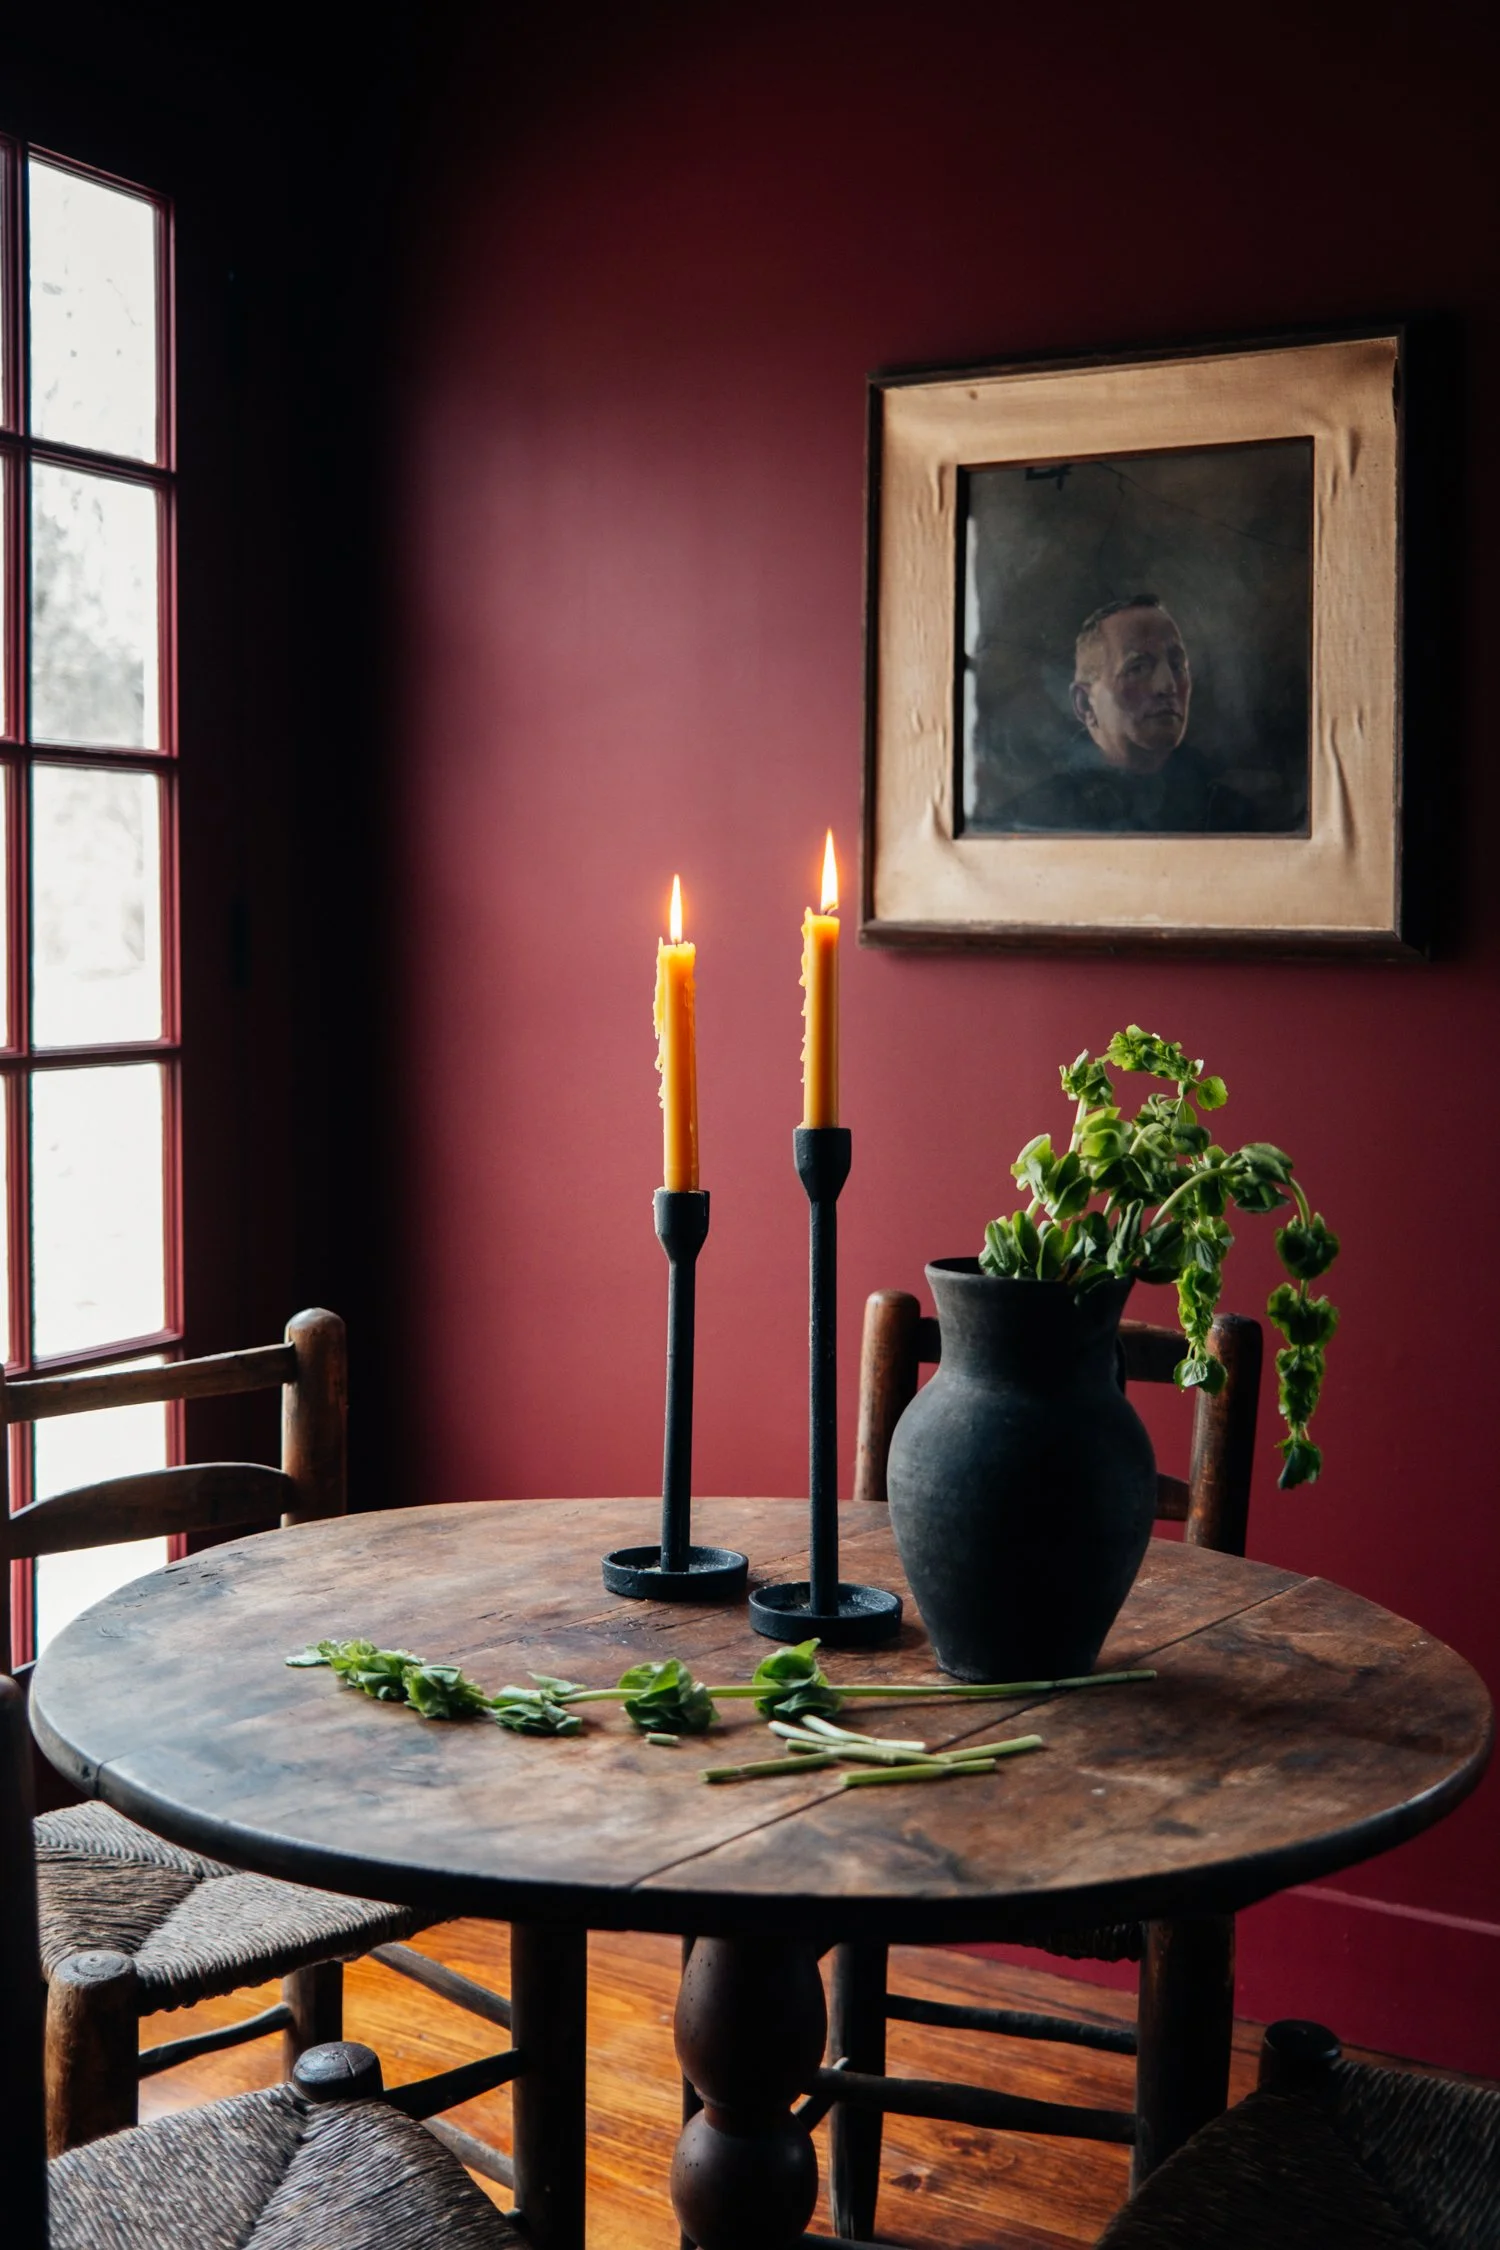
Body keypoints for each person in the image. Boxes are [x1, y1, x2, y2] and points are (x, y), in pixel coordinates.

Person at [1001, 594, 1263, 834]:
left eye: (1177, 665)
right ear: (1085, 704)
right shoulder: (1033, 822)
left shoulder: (1230, 814)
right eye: (1138, 668)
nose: (1168, 686)